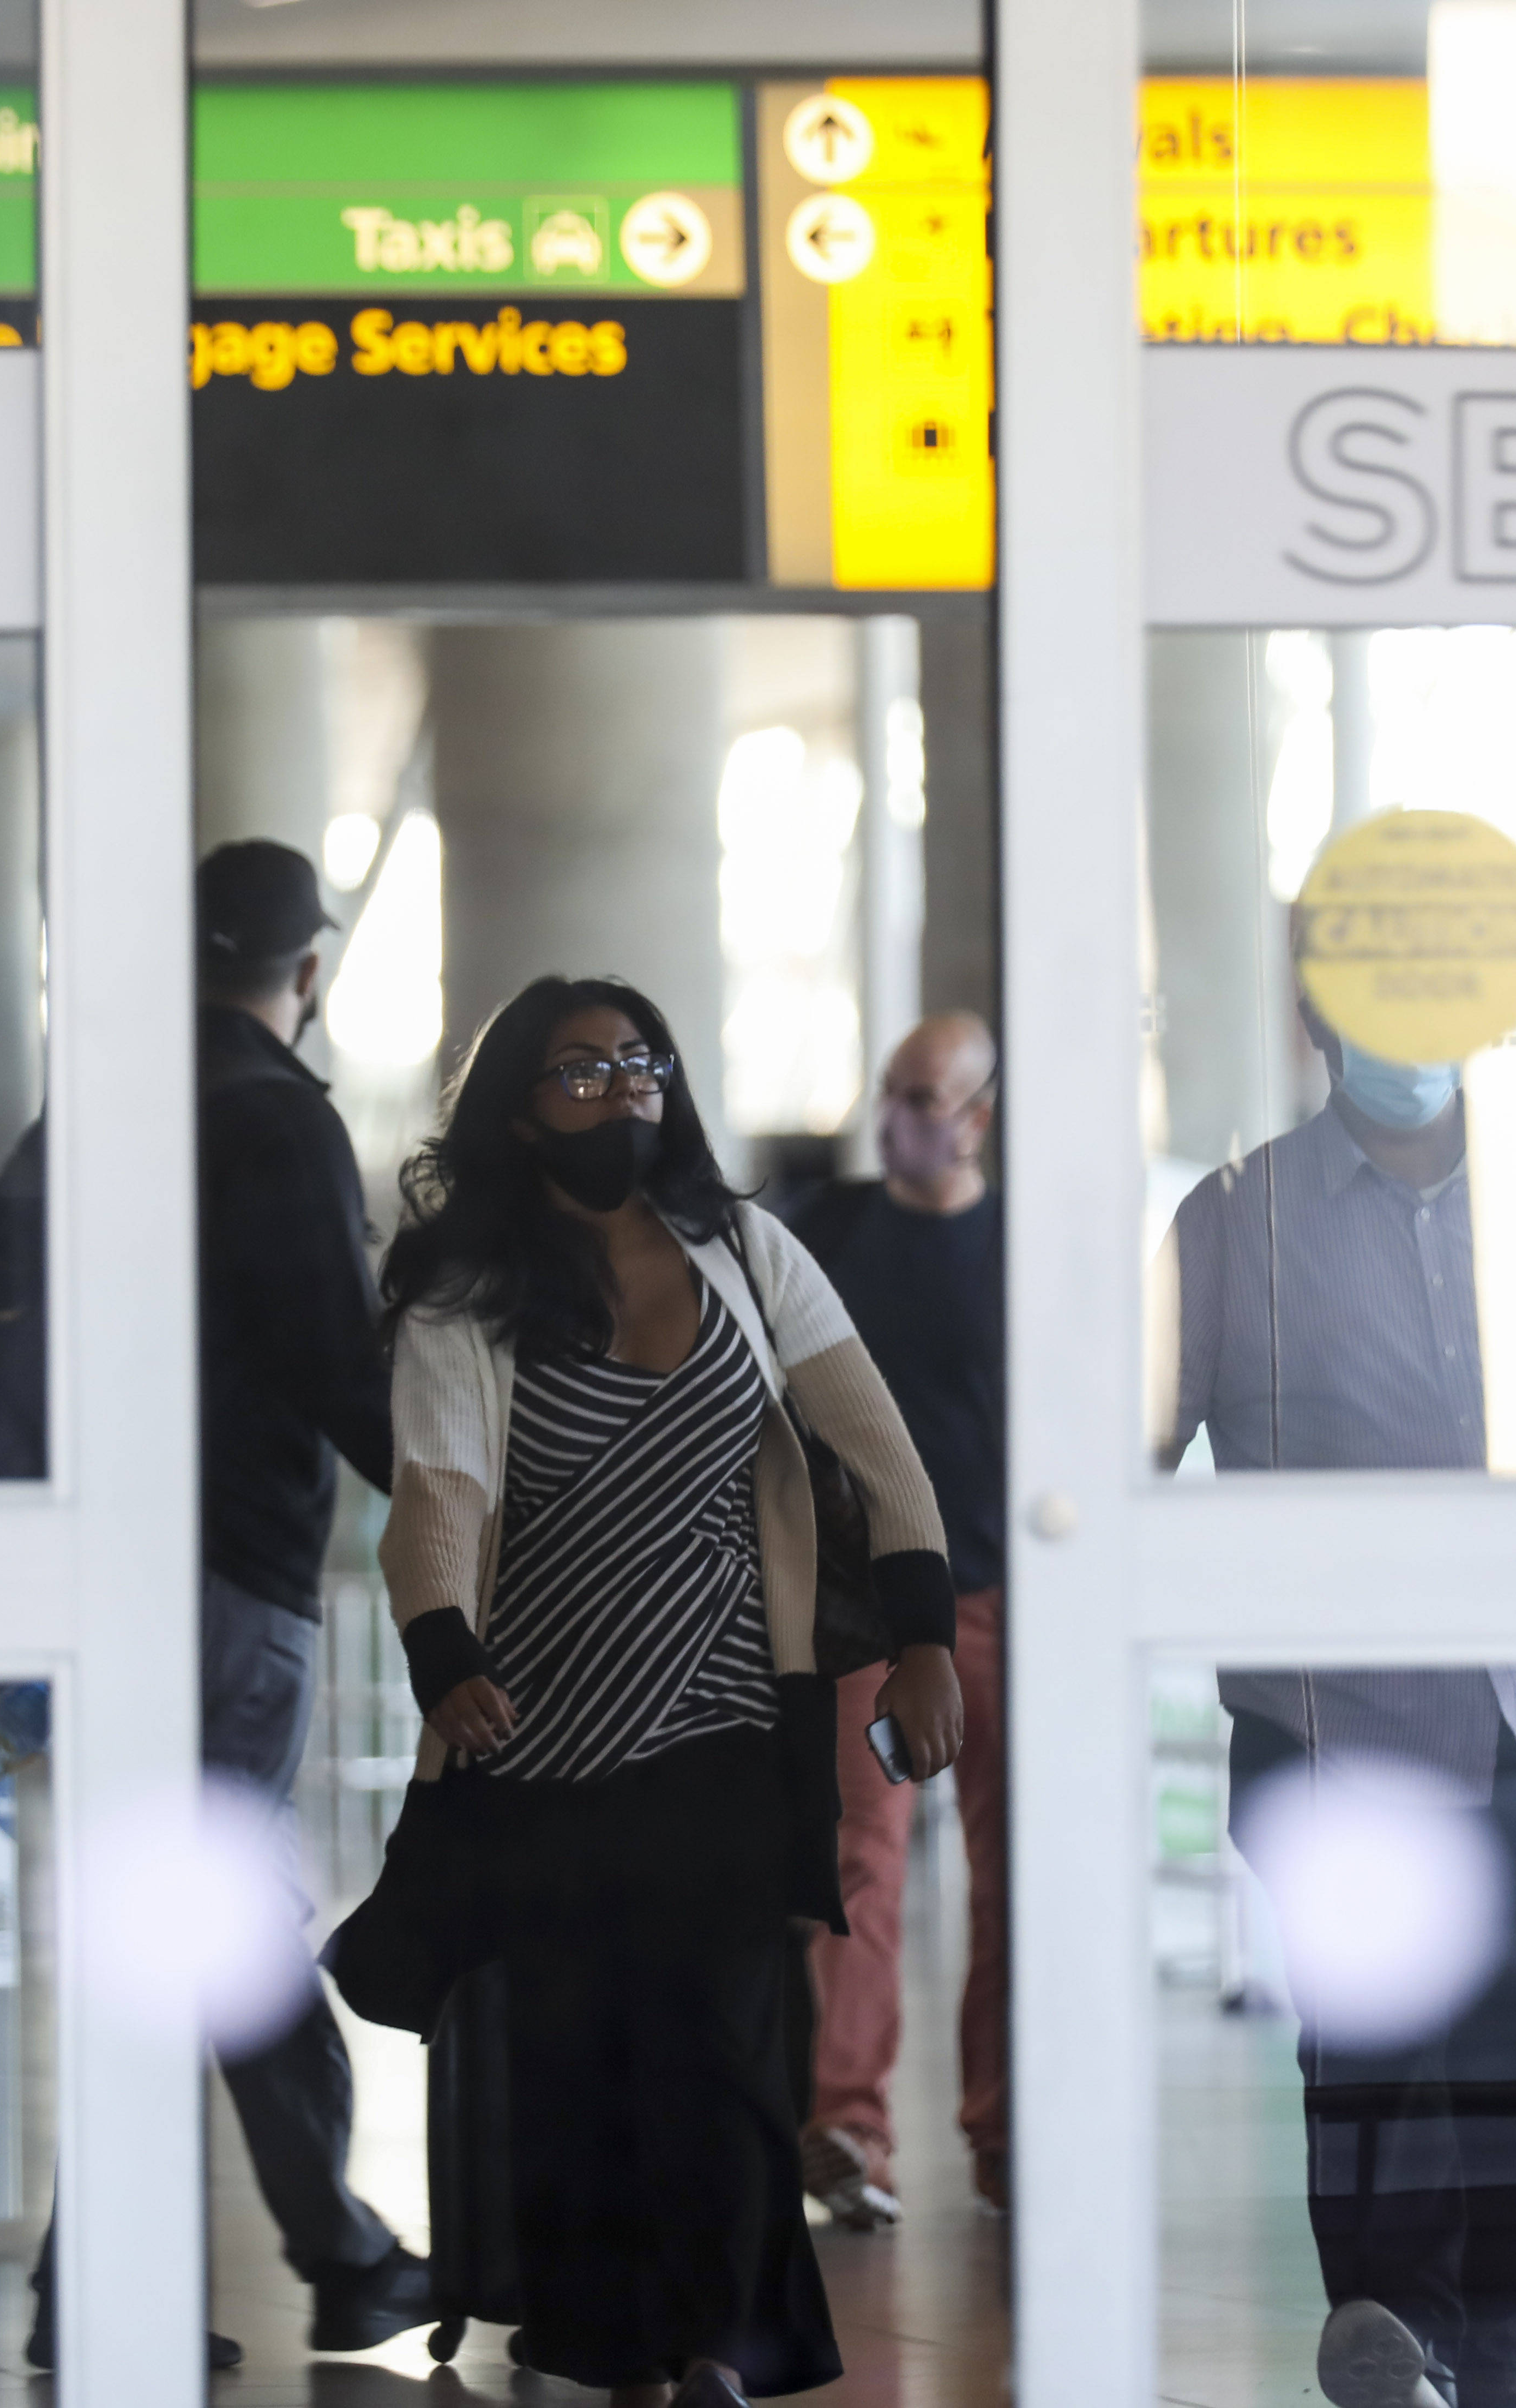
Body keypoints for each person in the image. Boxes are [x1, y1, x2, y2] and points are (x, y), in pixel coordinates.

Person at [378, 976, 967, 2408]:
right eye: (582, 1070)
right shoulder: (470, 1294)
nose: (621, 1087)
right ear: (522, 1108)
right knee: (579, 2053)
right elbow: (438, 1493)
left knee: (717, 2040)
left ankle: (719, 2345)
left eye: (641, 1062)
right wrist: (443, 1652)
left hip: (724, 1721)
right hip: (540, 1743)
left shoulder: (748, 1253)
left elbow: (875, 1449)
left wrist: (922, 1636)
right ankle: (607, 2345)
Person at [1160, 961, 1516, 2408]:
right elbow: (1134, 1453)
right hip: (1332, 1721)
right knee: (1368, 2046)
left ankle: (1481, 2367)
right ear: (1309, 1020)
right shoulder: (1232, 1223)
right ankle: (1394, 2345)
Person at [14, 840, 435, 2371]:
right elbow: (336, 1359)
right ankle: (322, 2251)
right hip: (225, 1575)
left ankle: (280, 2257)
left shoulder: (92, 1115)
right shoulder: (269, 1124)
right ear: (303, 974)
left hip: (86, 1575)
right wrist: (461, 1512)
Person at [786, 1012, 1010, 2226]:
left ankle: (1006, 2135)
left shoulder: (1021, 1247)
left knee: (1009, 1874)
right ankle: (848, 2132)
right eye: (890, 1093)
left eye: (924, 1098)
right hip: (867, 1608)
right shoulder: (830, 1234)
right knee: (858, 1864)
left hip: (1001, 1599)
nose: (899, 1119)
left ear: (979, 1113)